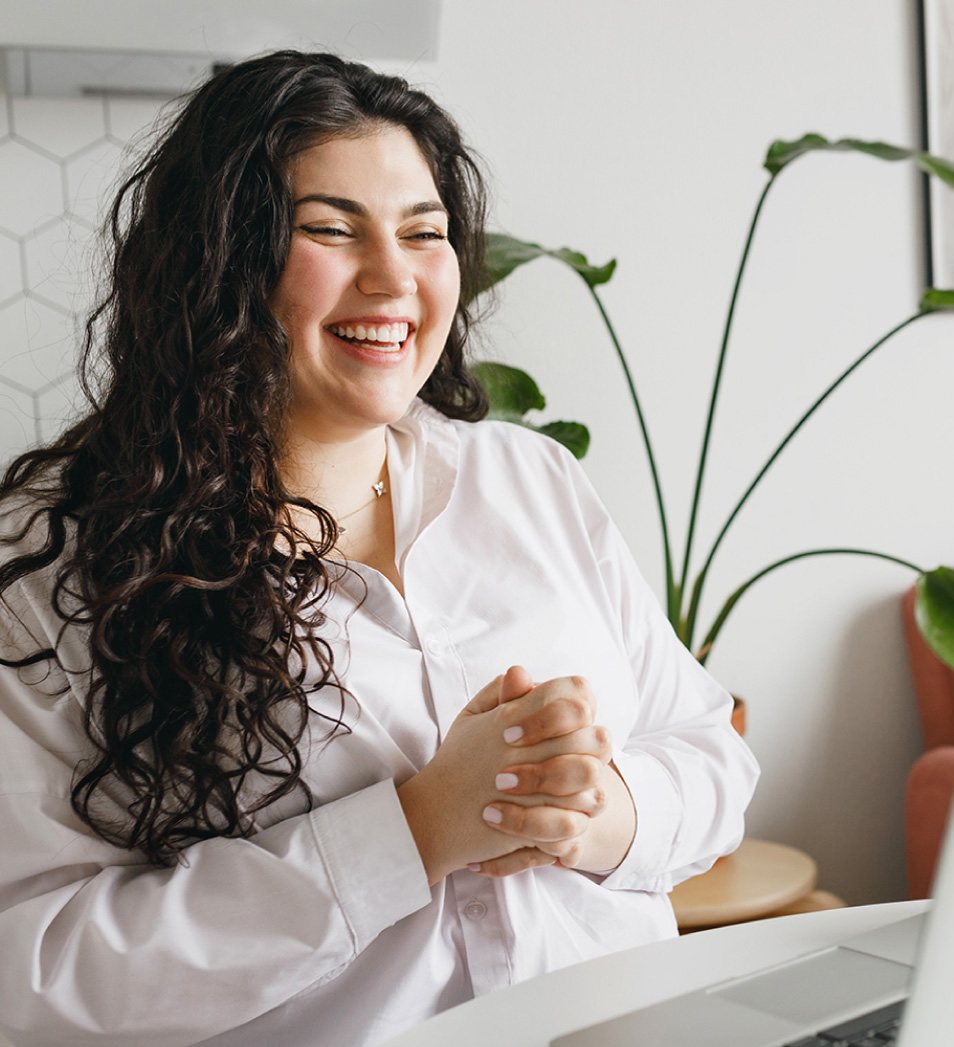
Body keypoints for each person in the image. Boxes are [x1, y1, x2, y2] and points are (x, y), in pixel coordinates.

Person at [0, 51, 758, 1046]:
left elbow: (709, 753)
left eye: (424, 232)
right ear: (219, 259)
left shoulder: (528, 480)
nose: (394, 277)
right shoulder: (56, 567)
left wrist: (602, 810)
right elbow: (36, 974)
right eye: (331, 229)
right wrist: (413, 830)